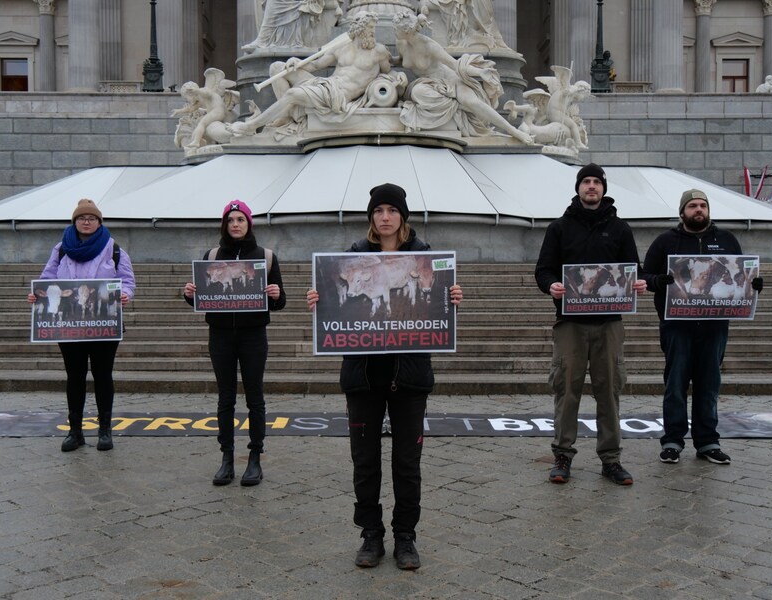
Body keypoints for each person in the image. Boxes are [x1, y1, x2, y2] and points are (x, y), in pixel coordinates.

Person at [306, 183, 463, 570]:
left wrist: (450, 296)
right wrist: (320, 299)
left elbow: (434, 303)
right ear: (371, 218)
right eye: (379, 211)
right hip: (364, 375)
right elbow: (338, 304)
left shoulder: (425, 258)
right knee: (365, 460)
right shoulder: (352, 258)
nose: (385, 217)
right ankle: (371, 535)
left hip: (409, 376)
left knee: (407, 462)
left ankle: (406, 537)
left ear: (402, 217)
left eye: (392, 210)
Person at [534, 163, 647, 485]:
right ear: (578, 187)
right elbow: (544, 269)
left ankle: (611, 459)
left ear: (603, 188)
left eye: (597, 182)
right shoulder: (559, 227)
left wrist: (637, 282)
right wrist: (551, 285)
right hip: (570, 323)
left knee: (609, 391)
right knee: (566, 390)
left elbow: (632, 270)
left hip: (609, 323)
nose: (592, 187)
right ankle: (562, 456)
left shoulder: (620, 228)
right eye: (586, 181)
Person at [643, 189, 763, 465]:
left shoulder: (726, 240)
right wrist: (657, 281)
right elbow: (644, 274)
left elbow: (741, 277)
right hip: (676, 325)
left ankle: (707, 441)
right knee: (675, 384)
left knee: (709, 385)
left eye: (703, 206)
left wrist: (753, 286)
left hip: (714, 325)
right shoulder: (665, 242)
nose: (699, 210)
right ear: (682, 211)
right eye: (693, 206)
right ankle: (672, 440)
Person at [183, 200, 286, 486]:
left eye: (241, 219)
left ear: (249, 223)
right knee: (225, 397)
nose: (236, 224)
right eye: (231, 220)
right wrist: (190, 293)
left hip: (253, 335)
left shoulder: (265, 256)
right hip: (220, 335)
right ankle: (226, 458)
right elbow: (201, 295)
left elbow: (280, 302)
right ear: (225, 225)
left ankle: (255, 458)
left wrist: (276, 294)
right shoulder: (212, 255)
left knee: (255, 397)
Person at [27, 199, 135, 452]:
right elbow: (48, 278)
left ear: (99, 222)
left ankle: (105, 430)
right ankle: (75, 431)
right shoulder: (61, 249)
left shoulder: (114, 249)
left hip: (103, 324)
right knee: (74, 376)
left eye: (92, 218)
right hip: (69, 325)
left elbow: (127, 280)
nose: (87, 222)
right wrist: (38, 294)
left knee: (102, 375)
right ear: (74, 222)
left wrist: (126, 294)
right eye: (82, 218)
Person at [230, 11, 391, 136]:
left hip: (337, 97)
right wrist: (297, 62)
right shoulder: (341, 46)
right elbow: (315, 65)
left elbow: (389, 73)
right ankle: (289, 116)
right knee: (277, 68)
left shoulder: (378, 51)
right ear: (359, 28)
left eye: (373, 28)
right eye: (370, 27)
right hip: (326, 85)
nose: (373, 32)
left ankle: (251, 125)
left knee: (293, 94)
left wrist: (399, 78)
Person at [391, 10, 533, 144]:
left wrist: (480, 73)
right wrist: (387, 59)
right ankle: (458, 106)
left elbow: (455, 65)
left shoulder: (429, 46)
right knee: (417, 92)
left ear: (407, 32)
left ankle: (514, 131)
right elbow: (402, 60)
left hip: (450, 80)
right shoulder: (401, 43)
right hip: (427, 84)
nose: (394, 31)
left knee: (473, 103)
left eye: (396, 29)